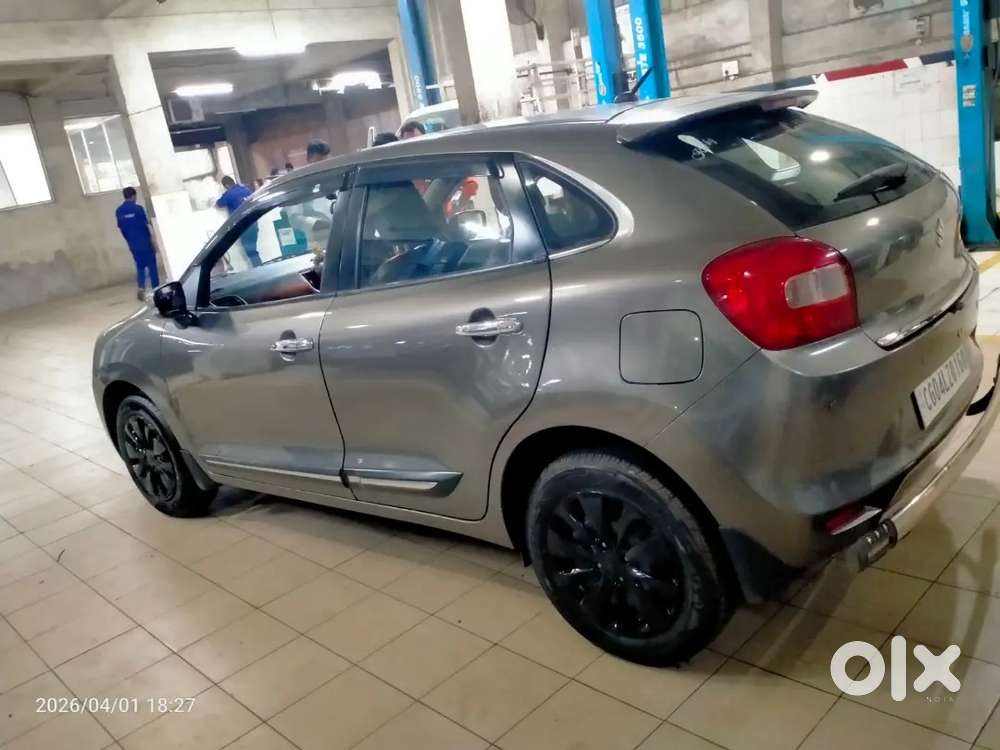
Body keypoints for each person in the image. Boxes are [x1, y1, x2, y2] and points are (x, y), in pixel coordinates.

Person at [115, 187, 159, 300]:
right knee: (152, 266)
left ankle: (141, 288)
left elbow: (122, 229)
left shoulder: (119, 211)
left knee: (140, 266)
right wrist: (151, 241)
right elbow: (145, 226)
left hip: (133, 244)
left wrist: (130, 241)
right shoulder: (138, 209)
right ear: (134, 196)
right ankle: (156, 290)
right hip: (144, 242)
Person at [216, 176, 260, 267]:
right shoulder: (246, 189)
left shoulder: (229, 194)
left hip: (242, 226)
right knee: (253, 249)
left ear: (227, 185)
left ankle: (259, 269)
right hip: (253, 223)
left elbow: (219, 204)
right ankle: (259, 268)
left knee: (250, 250)